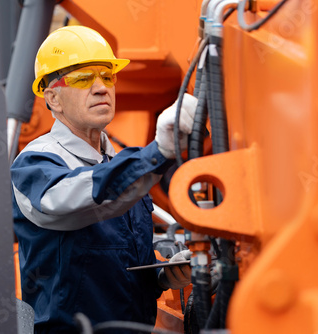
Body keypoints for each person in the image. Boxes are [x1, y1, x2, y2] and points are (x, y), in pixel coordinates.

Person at [11, 25, 197, 333]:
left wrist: (163, 276)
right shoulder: (35, 163)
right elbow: (77, 198)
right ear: (53, 98)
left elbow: (113, 266)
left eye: (107, 76)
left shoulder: (117, 164)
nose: (101, 88)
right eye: (84, 78)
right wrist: (157, 152)